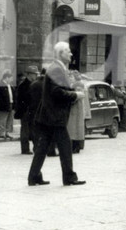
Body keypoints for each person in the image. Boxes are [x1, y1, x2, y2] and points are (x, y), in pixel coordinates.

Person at [28, 41, 85, 186]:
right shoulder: (57, 69)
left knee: (42, 148)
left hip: (49, 115)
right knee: (65, 146)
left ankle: (34, 176)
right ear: (61, 53)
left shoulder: (57, 68)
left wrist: (72, 91)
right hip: (55, 116)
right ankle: (69, 177)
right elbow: (56, 92)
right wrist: (75, 95)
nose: (71, 54)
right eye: (68, 51)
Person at [15, 65, 39, 154]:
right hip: (25, 110)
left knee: (34, 130)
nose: (36, 76)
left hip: (33, 110)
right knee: (25, 130)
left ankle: (36, 148)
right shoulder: (23, 85)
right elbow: (20, 99)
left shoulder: (34, 84)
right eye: (34, 74)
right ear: (29, 74)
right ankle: (25, 149)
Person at [66, 71, 90, 155]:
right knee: (75, 128)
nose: (70, 78)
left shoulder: (77, 85)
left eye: (71, 77)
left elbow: (78, 96)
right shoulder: (76, 84)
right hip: (76, 109)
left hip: (76, 108)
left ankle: (76, 147)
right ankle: (76, 146)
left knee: (75, 128)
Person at [0, 70, 15, 140]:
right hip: (4, 104)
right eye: (11, 78)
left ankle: (7, 132)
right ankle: (2, 133)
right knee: (3, 119)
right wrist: (1, 102)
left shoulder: (10, 85)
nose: (12, 79)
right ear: (7, 77)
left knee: (9, 118)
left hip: (10, 103)